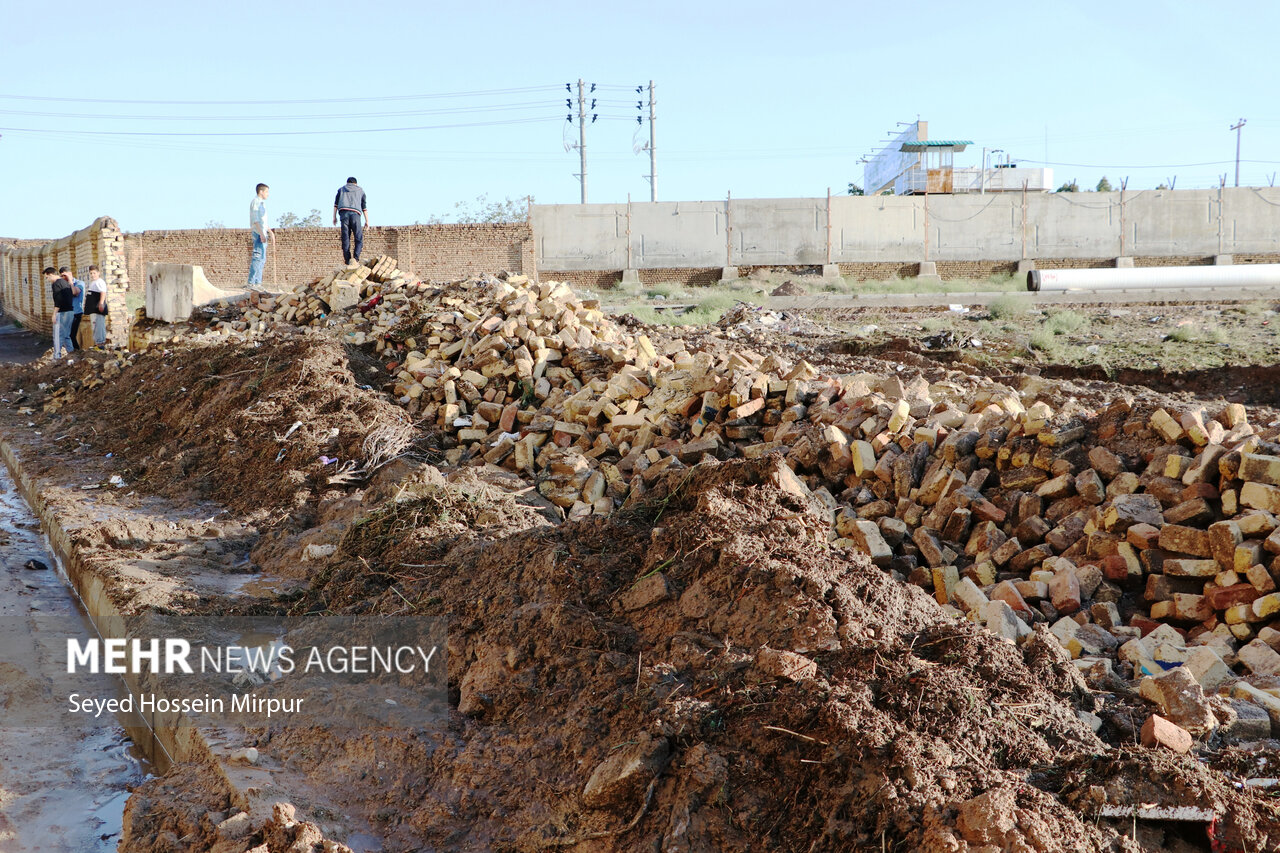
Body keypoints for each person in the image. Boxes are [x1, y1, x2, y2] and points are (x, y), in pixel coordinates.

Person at [332, 177, 369, 265]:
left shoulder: (341, 190)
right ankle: (355, 259)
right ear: (356, 183)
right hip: (355, 215)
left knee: (345, 238)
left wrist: (334, 217)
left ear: (347, 183)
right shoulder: (360, 190)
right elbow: (364, 207)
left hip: (343, 214)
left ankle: (348, 260)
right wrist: (367, 220)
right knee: (358, 238)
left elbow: (335, 205)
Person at [45, 267, 74, 359]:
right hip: (70, 311)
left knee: (58, 335)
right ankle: (72, 355)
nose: (47, 280)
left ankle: (57, 357)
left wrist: (54, 314)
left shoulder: (56, 284)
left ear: (51, 275)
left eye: (47, 277)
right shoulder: (65, 282)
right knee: (66, 335)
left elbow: (58, 300)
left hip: (62, 313)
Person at [248, 182, 272, 288]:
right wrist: (261, 234)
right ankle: (251, 282)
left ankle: (258, 282)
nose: (268, 194)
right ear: (261, 191)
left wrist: (269, 231)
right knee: (257, 258)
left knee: (262, 259)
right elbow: (256, 220)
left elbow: (263, 221)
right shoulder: (256, 202)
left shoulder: (262, 204)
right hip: (258, 234)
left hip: (263, 233)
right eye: (266, 191)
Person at [84, 264, 109, 347]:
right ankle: (97, 343)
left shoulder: (100, 282)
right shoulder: (93, 282)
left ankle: (101, 343)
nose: (92, 275)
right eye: (91, 273)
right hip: (93, 310)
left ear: (98, 273)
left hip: (98, 309)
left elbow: (103, 292)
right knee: (95, 326)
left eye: (94, 273)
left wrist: (101, 303)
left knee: (99, 326)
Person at [63, 267, 86, 350]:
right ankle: (73, 353)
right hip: (67, 313)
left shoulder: (79, 283)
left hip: (76, 313)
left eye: (65, 275)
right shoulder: (64, 285)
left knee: (71, 335)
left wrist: (70, 282)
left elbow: (74, 292)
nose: (64, 278)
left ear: (70, 274)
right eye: (62, 276)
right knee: (66, 335)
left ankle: (76, 352)